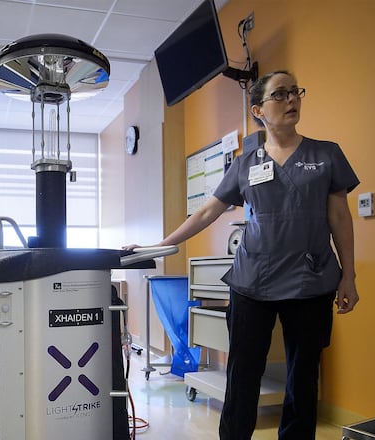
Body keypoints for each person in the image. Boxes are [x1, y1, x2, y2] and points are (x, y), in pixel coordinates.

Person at [124, 70, 359, 439]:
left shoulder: (326, 155)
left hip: (310, 280)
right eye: (279, 94)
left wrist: (349, 275)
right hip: (253, 281)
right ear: (258, 110)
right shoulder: (245, 164)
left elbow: (340, 217)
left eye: (295, 91)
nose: (291, 99)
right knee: (242, 373)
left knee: (303, 377)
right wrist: (158, 244)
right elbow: (207, 212)